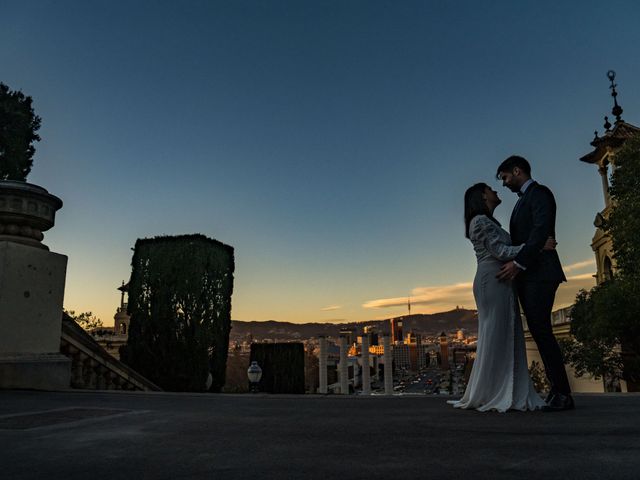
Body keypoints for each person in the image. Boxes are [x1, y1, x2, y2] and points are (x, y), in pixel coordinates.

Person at [449, 182, 548, 412]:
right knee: (496, 332)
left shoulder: (487, 222)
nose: (496, 191)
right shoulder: (480, 222)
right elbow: (501, 251)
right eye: (491, 189)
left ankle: (499, 390)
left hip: (500, 278)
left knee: (502, 332)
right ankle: (495, 391)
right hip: (492, 280)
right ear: (482, 196)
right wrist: (537, 246)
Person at [495, 155, 573, 411]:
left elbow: (541, 230)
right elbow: (534, 237)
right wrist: (532, 250)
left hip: (540, 274)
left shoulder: (540, 194)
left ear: (517, 171)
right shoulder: (521, 203)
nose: (504, 184)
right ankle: (557, 391)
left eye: (505, 177)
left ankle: (562, 393)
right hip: (532, 274)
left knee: (541, 331)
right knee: (540, 332)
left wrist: (519, 263)